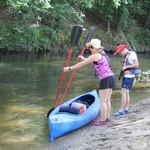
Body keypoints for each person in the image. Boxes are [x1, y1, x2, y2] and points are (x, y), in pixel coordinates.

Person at [63, 39, 115, 126]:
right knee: (107, 100)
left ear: (96, 48)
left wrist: (69, 68)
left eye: (91, 47)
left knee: (103, 101)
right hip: (111, 77)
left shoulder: (95, 55)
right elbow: (93, 60)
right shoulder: (103, 54)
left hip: (105, 79)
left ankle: (102, 121)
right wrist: (84, 58)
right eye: (89, 47)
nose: (90, 49)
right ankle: (107, 118)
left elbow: (81, 64)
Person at [113, 44, 139, 116]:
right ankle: (126, 108)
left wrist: (126, 67)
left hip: (129, 76)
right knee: (126, 92)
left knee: (123, 92)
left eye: (120, 52)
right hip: (127, 75)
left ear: (124, 50)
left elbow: (136, 64)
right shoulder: (126, 55)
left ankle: (121, 110)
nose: (119, 54)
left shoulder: (132, 54)